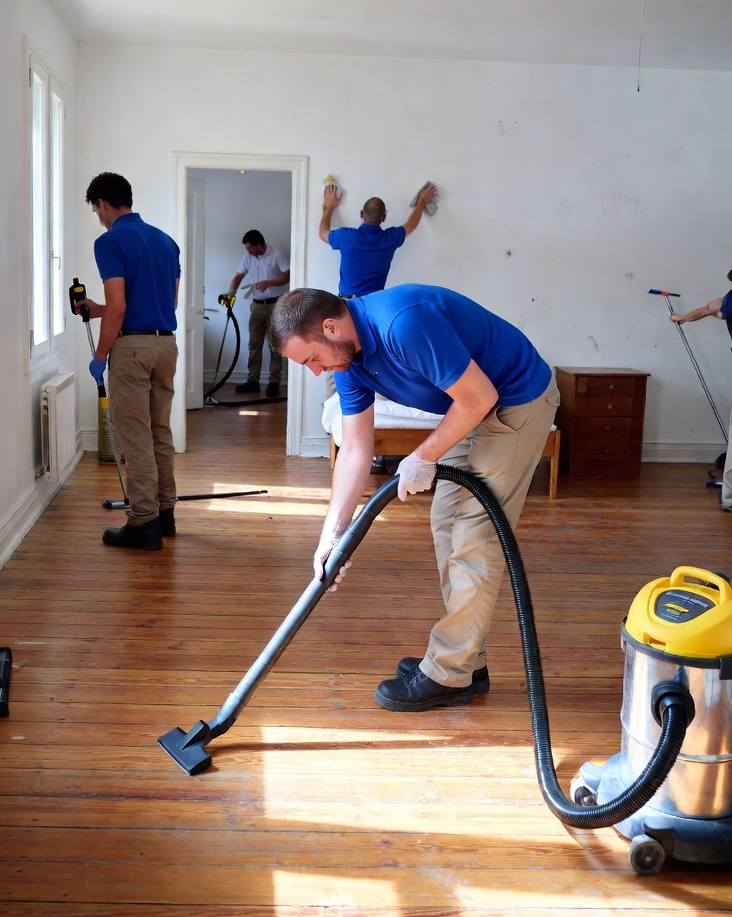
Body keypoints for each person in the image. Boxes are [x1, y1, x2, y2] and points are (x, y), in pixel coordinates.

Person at [269, 285, 559, 712]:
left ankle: (449, 672)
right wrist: (330, 536)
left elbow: (481, 397)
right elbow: (354, 448)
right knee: (444, 521)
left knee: (477, 535)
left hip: (515, 400)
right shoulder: (348, 359)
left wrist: (422, 455)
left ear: (331, 327)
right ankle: (467, 658)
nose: (315, 372)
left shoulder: (401, 324)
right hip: (471, 406)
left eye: (311, 359)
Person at [79, 172, 181, 551]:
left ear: (103, 203)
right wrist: (98, 310)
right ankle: (165, 513)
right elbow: (164, 304)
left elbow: (120, 308)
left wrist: (100, 355)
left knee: (134, 436)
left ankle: (143, 523)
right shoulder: (167, 242)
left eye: (96, 210)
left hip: (132, 352)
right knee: (159, 432)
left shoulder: (109, 242)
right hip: (165, 347)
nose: (99, 217)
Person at [670, 275, 732, 512]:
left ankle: (730, 497)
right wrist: (683, 317)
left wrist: (683, 318)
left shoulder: (727, 300)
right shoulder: (727, 301)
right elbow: (710, 310)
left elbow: (708, 309)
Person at [319, 183, 438, 298]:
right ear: (384, 217)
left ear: (361, 213)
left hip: (348, 303)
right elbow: (411, 224)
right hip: (374, 303)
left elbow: (323, 232)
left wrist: (329, 207)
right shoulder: (390, 239)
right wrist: (421, 201)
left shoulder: (346, 237)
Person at [228, 229, 290, 396]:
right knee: (254, 345)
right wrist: (231, 291)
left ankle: (274, 382)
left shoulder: (277, 254)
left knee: (275, 345)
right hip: (257, 306)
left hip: (276, 305)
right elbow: (238, 276)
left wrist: (268, 283)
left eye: (249, 248)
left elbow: (288, 275)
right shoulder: (248, 258)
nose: (247, 251)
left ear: (259, 245)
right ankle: (252, 381)